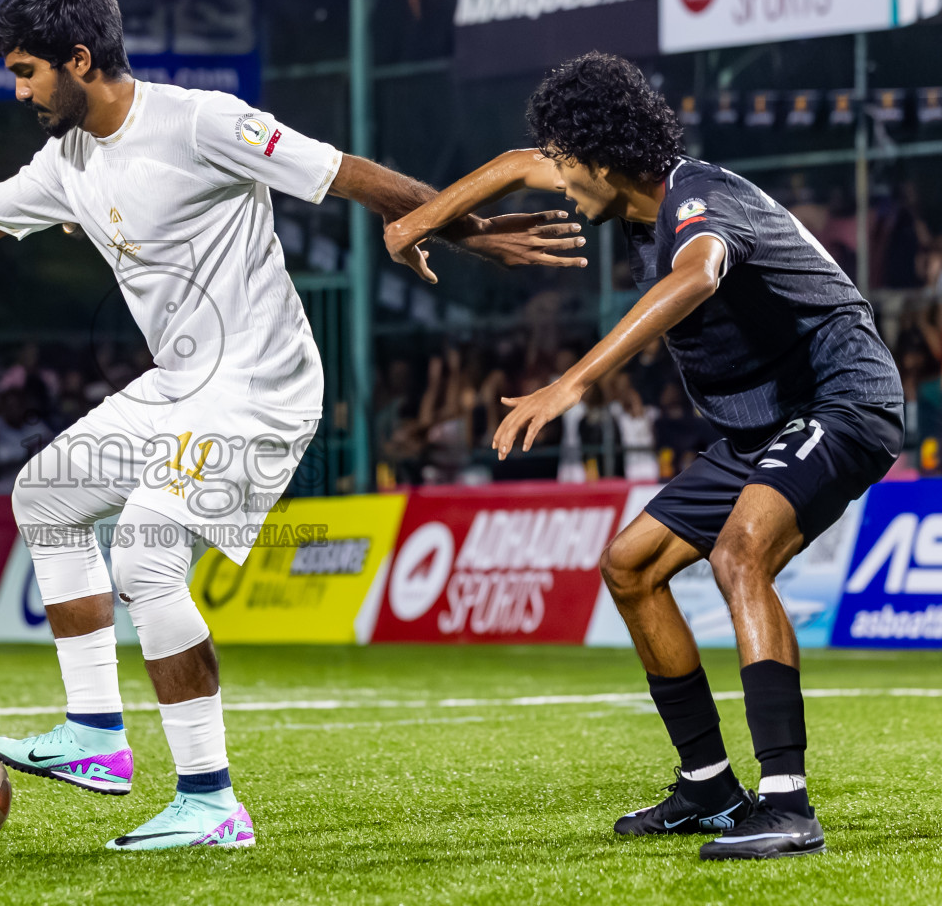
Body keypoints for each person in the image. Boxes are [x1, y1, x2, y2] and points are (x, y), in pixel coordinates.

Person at [0, 0, 584, 850]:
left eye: (27, 72)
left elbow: (348, 175)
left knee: (146, 553)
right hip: (182, 386)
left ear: (79, 60)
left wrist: (469, 232)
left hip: (263, 386)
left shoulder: (202, 122)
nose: (19, 91)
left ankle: (211, 801)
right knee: (45, 494)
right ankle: (96, 735)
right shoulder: (69, 159)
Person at [385, 52, 904, 860]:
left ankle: (787, 805)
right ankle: (708, 786)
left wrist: (571, 382)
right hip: (763, 426)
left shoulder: (700, 202)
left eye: (566, 165)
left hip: (842, 400)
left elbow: (696, 278)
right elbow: (516, 165)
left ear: (602, 161)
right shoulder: (626, 189)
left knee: (740, 554)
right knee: (630, 567)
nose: (558, 180)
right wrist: (414, 223)